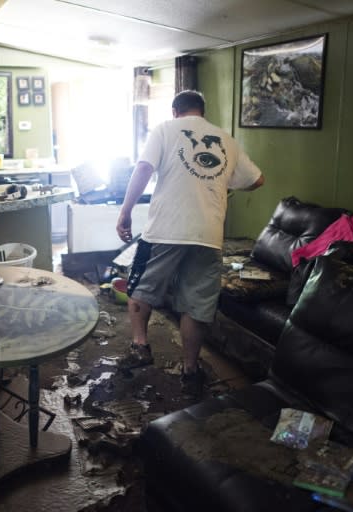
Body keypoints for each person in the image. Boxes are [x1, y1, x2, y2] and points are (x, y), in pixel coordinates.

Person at [116, 90, 265, 397]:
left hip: (164, 231)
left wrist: (125, 212)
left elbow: (144, 168)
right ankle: (190, 370)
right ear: (202, 111)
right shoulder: (227, 139)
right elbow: (257, 180)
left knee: (140, 289)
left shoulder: (164, 130)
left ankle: (141, 346)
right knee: (196, 306)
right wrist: (221, 180)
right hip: (208, 235)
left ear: (175, 111)